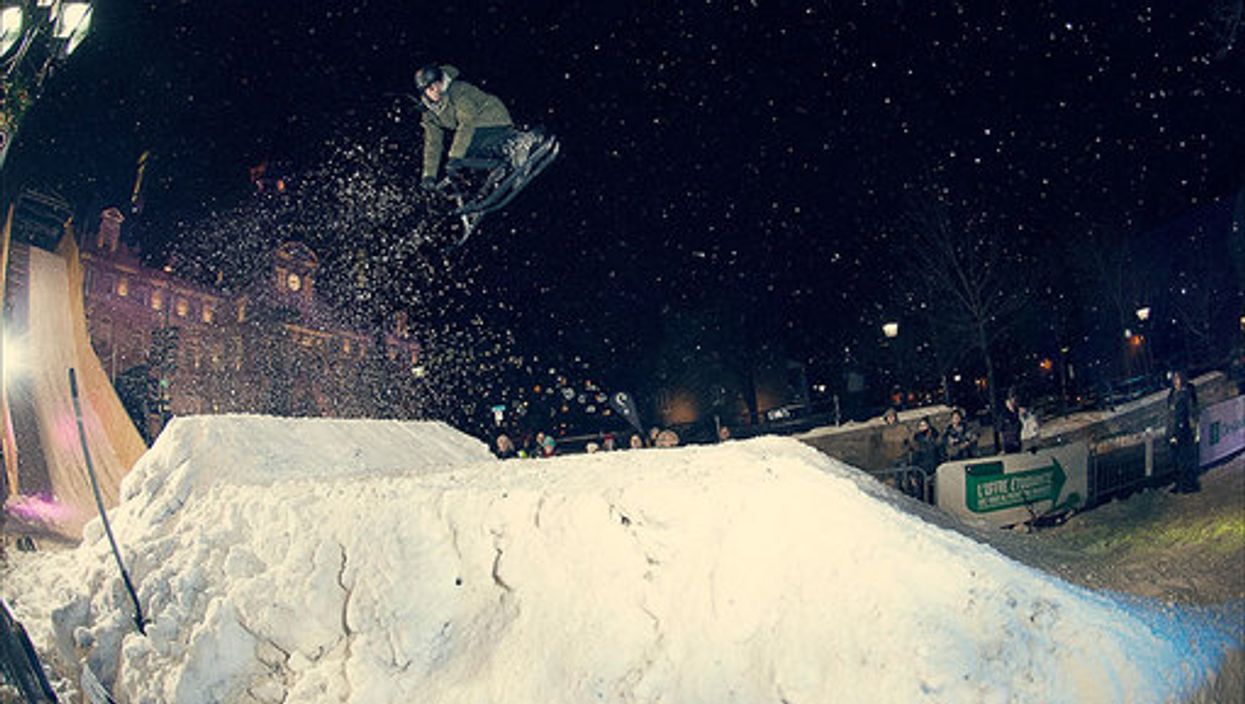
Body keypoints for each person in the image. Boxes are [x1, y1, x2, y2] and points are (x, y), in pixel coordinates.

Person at [415, 64, 549, 195]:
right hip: (477, 128)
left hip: (491, 118)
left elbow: (467, 123)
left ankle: (517, 143)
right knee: (464, 156)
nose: (435, 90)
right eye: (430, 89)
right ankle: (500, 167)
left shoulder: (457, 91)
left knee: (464, 150)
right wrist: (429, 176)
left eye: (437, 84)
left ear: (441, 81)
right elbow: (433, 144)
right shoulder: (429, 114)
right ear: (424, 92)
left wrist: (455, 157)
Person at [1167, 370, 1201, 494]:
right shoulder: (1173, 393)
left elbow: (1184, 415)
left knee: (1185, 459)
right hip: (1174, 430)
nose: (1175, 381)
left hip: (1183, 431)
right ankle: (1179, 483)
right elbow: (1171, 413)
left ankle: (1189, 484)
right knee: (1176, 460)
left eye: (1177, 378)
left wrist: (1176, 434)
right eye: (1174, 378)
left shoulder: (1186, 393)